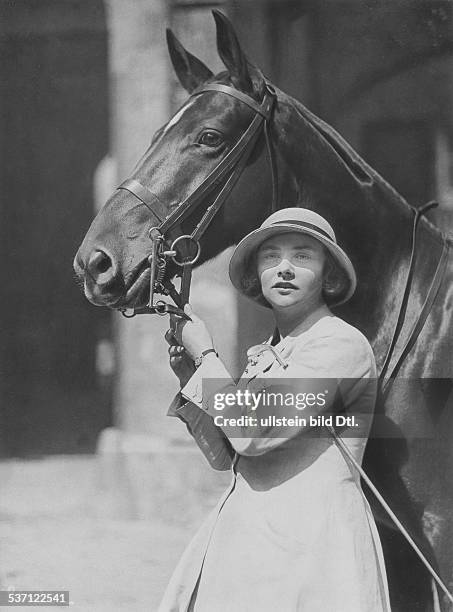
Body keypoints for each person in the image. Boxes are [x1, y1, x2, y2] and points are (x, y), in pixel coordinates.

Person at [159, 208, 391, 612]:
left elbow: (252, 434)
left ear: (329, 275)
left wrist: (208, 356)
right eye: (271, 257)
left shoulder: (339, 345)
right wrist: (192, 378)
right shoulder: (269, 353)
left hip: (313, 549)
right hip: (249, 543)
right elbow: (228, 456)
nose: (284, 268)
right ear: (257, 274)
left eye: (302, 256)